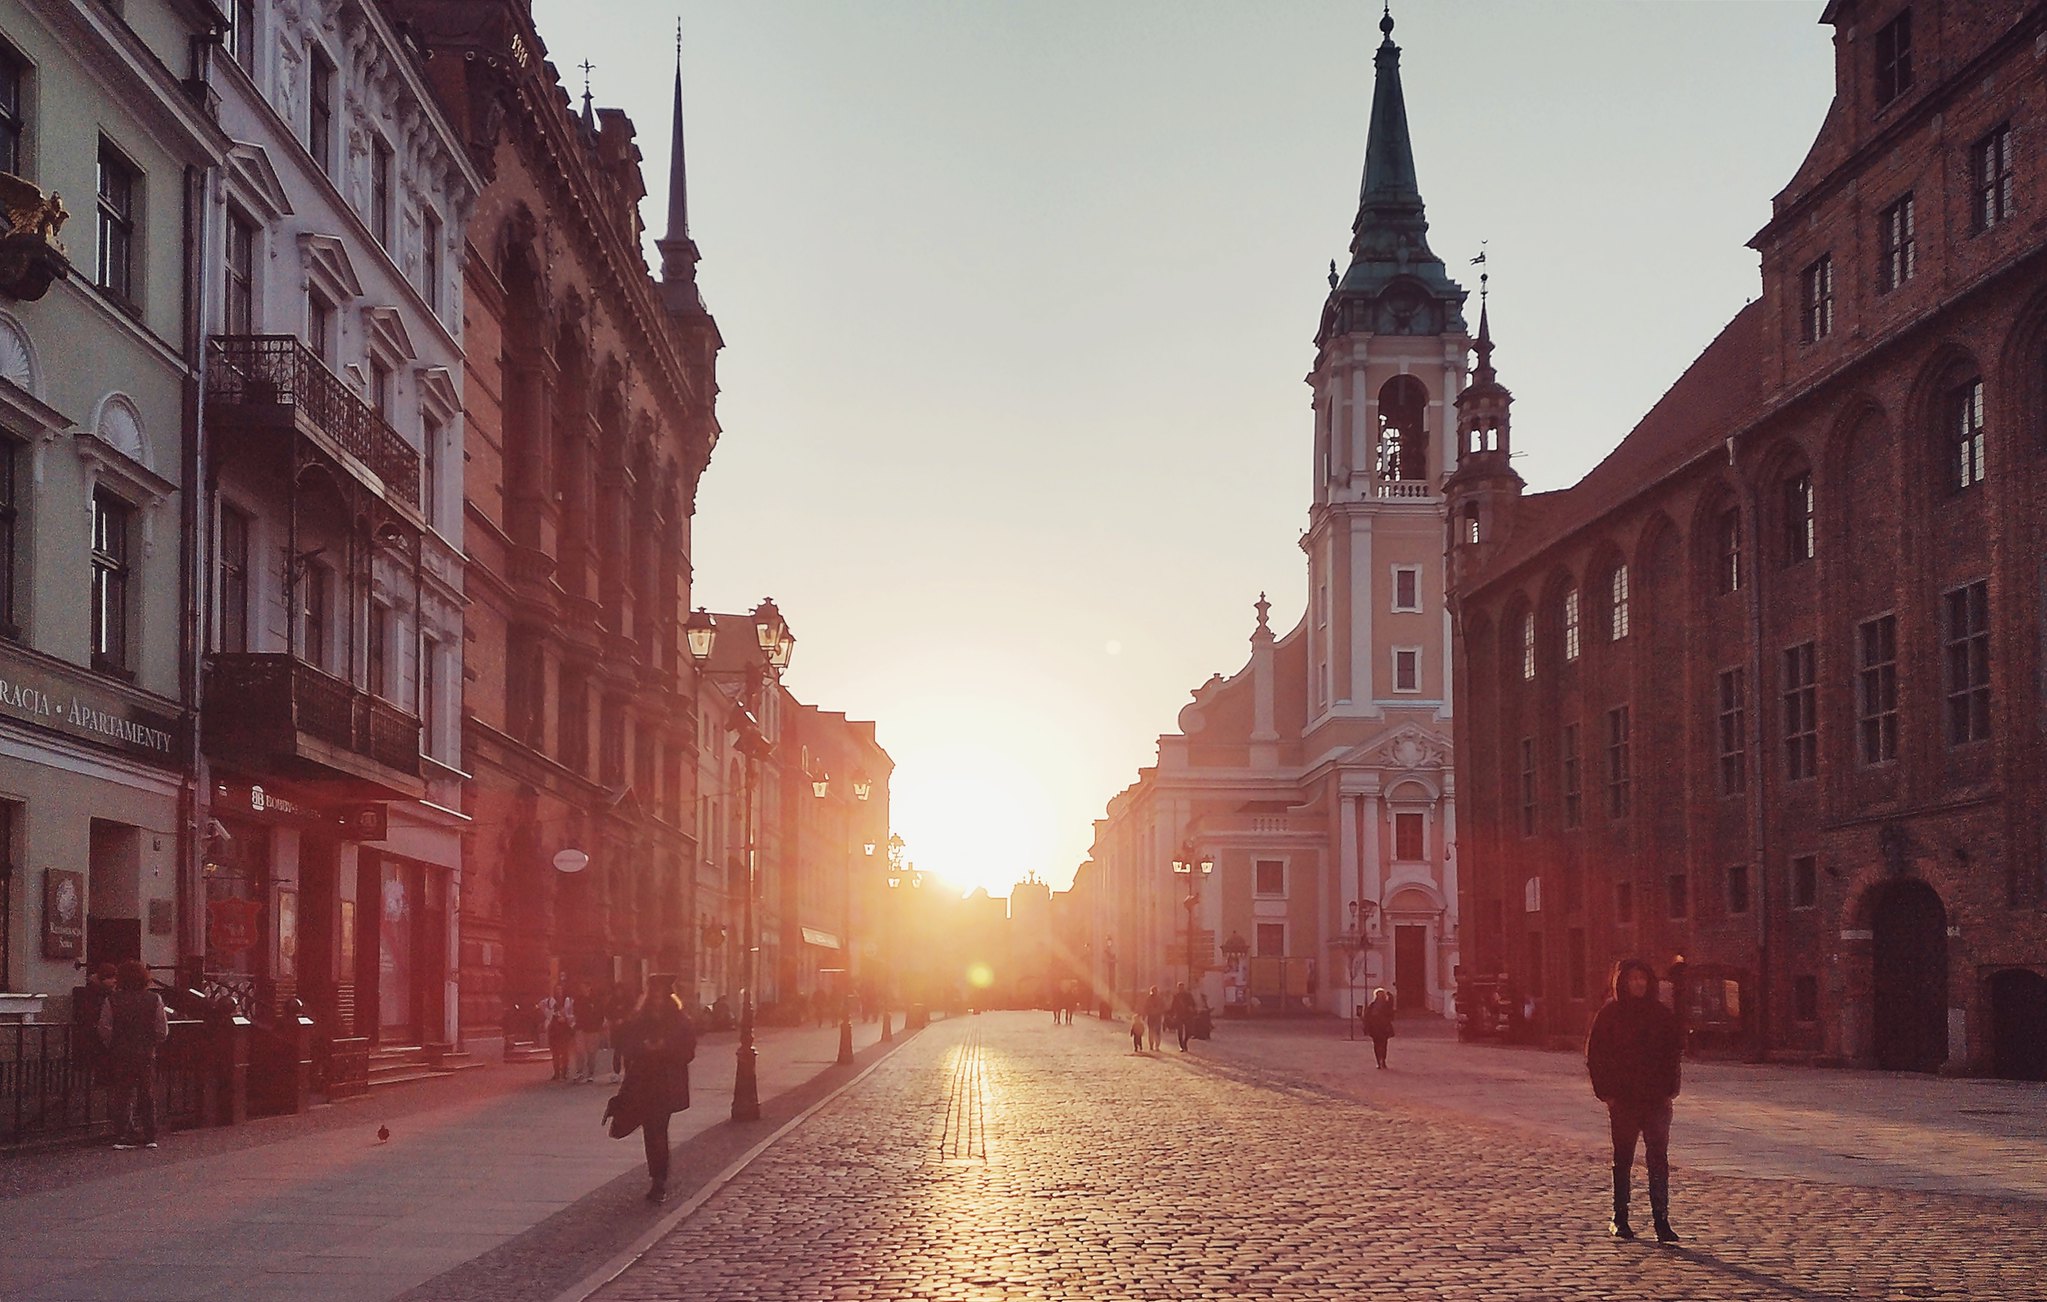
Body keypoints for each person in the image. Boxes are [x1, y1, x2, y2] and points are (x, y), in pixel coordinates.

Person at [1586, 957, 1685, 1244]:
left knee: (1658, 1159)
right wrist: (1607, 1093)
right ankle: (1620, 1216)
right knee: (1623, 1158)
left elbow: (1673, 1054)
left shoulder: (1661, 1014)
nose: (1638, 984)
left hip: (1656, 1099)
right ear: (1623, 982)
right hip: (1624, 1100)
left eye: (1643, 979)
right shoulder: (1610, 1015)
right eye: (1633, 979)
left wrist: (1670, 1090)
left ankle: (1661, 1220)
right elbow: (1596, 1056)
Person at [614, 974, 697, 1204]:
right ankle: (656, 1176)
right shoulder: (639, 1020)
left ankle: (659, 1180)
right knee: (650, 1132)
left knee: (658, 1129)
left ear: (669, 996)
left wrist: (664, 1048)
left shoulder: (681, 1021)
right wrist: (643, 1047)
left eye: (662, 995)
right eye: (654, 995)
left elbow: (688, 1052)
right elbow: (627, 1045)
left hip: (667, 1084)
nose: (658, 1000)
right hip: (643, 1083)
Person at [97, 960, 169, 1149]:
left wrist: (112, 1044)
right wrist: (152, 1043)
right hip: (145, 1052)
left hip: (120, 1052)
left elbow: (105, 1028)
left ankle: (122, 1135)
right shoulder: (154, 999)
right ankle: (150, 1135)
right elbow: (162, 1030)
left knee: (122, 1093)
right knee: (147, 1093)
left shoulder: (112, 1000)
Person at [540, 983, 577, 1082]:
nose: (559, 992)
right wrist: (552, 1015)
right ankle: (556, 1073)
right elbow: (543, 1007)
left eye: (560, 989)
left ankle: (564, 1072)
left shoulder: (568, 1001)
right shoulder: (550, 1002)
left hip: (564, 1029)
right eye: (557, 990)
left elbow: (572, 1013)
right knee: (555, 1053)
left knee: (564, 1052)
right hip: (554, 1030)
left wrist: (566, 1018)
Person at [1365, 987, 1396, 1069]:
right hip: (1383, 1028)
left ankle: (1379, 1061)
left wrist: (1367, 1028)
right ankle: (1382, 1060)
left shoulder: (1372, 1005)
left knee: (1376, 1045)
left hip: (1375, 1029)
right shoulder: (1386, 1005)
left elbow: (1367, 1017)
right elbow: (1391, 1013)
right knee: (1383, 1045)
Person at [1168, 982, 1198, 1052]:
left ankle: (1185, 1042)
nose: (1181, 989)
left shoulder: (1188, 995)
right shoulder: (1176, 996)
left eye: (1182, 987)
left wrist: (1191, 1008)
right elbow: (1173, 1005)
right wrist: (1171, 1014)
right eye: (1179, 988)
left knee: (1189, 1031)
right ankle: (1181, 1046)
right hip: (1179, 1015)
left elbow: (1193, 1003)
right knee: (1180, 1031)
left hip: (1187, 1015)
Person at [1142, 986, 1165, 1053]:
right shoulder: (1150, 999)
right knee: (1152, 1031)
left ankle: (1156, 1045)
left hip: (1156, 1016)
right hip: (1152, 1016)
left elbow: (1163, 1007)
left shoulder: (1158, 999)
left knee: (1155, 1031)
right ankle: (1153, 1045)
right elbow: (1146, 1007)